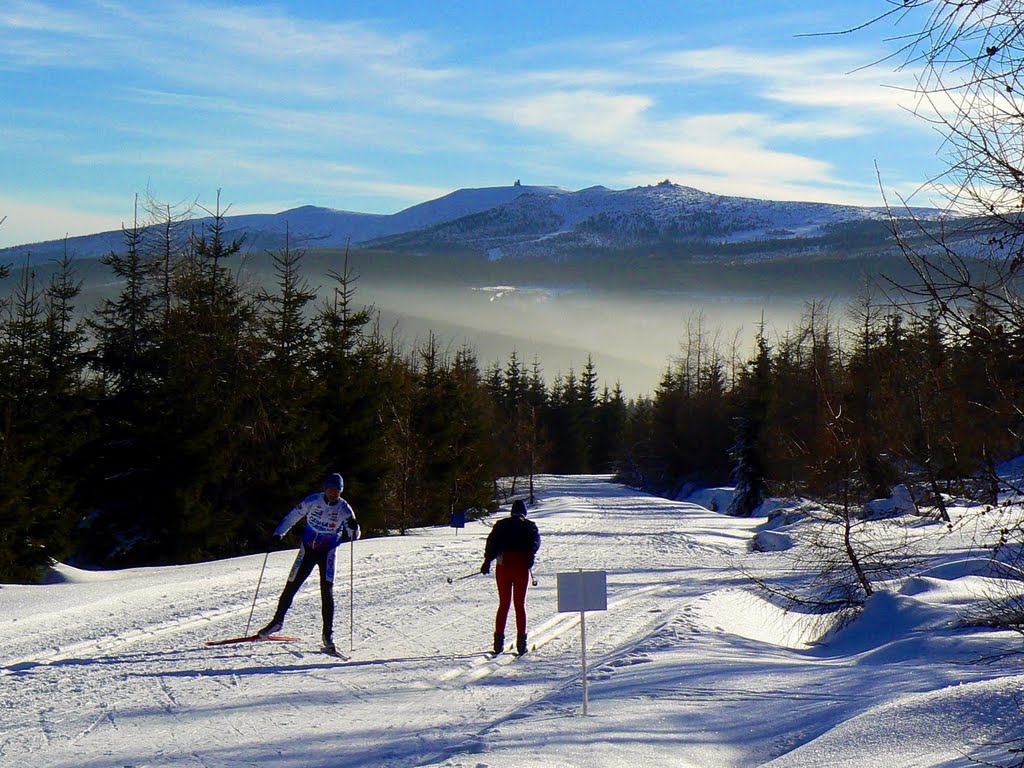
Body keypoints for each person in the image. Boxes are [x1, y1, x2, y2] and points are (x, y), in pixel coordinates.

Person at [257, 473, 359, 653]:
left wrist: (353, 527)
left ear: (341, 492)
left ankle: (327, 635)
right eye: (330, 489)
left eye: (337, 491)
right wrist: (278, 533)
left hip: (327, 553)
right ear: (325, 489)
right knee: (291, 585)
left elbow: (355, 536)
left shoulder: (345, 509)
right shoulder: (313, 501)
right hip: (307, 551)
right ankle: (277, 622)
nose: (333, 493)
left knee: (326, 593)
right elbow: (292, 517)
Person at [481, 498, 541, 655]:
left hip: (503, 566)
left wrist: (487, 560)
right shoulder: (529, 526)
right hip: (521, 566)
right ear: (524, 513)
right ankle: (521, 644)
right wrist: (530, 556)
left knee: (504, 604)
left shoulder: (501, 524)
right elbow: (535, 542)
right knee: (519, 605)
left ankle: (498, 643)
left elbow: (492, 542)